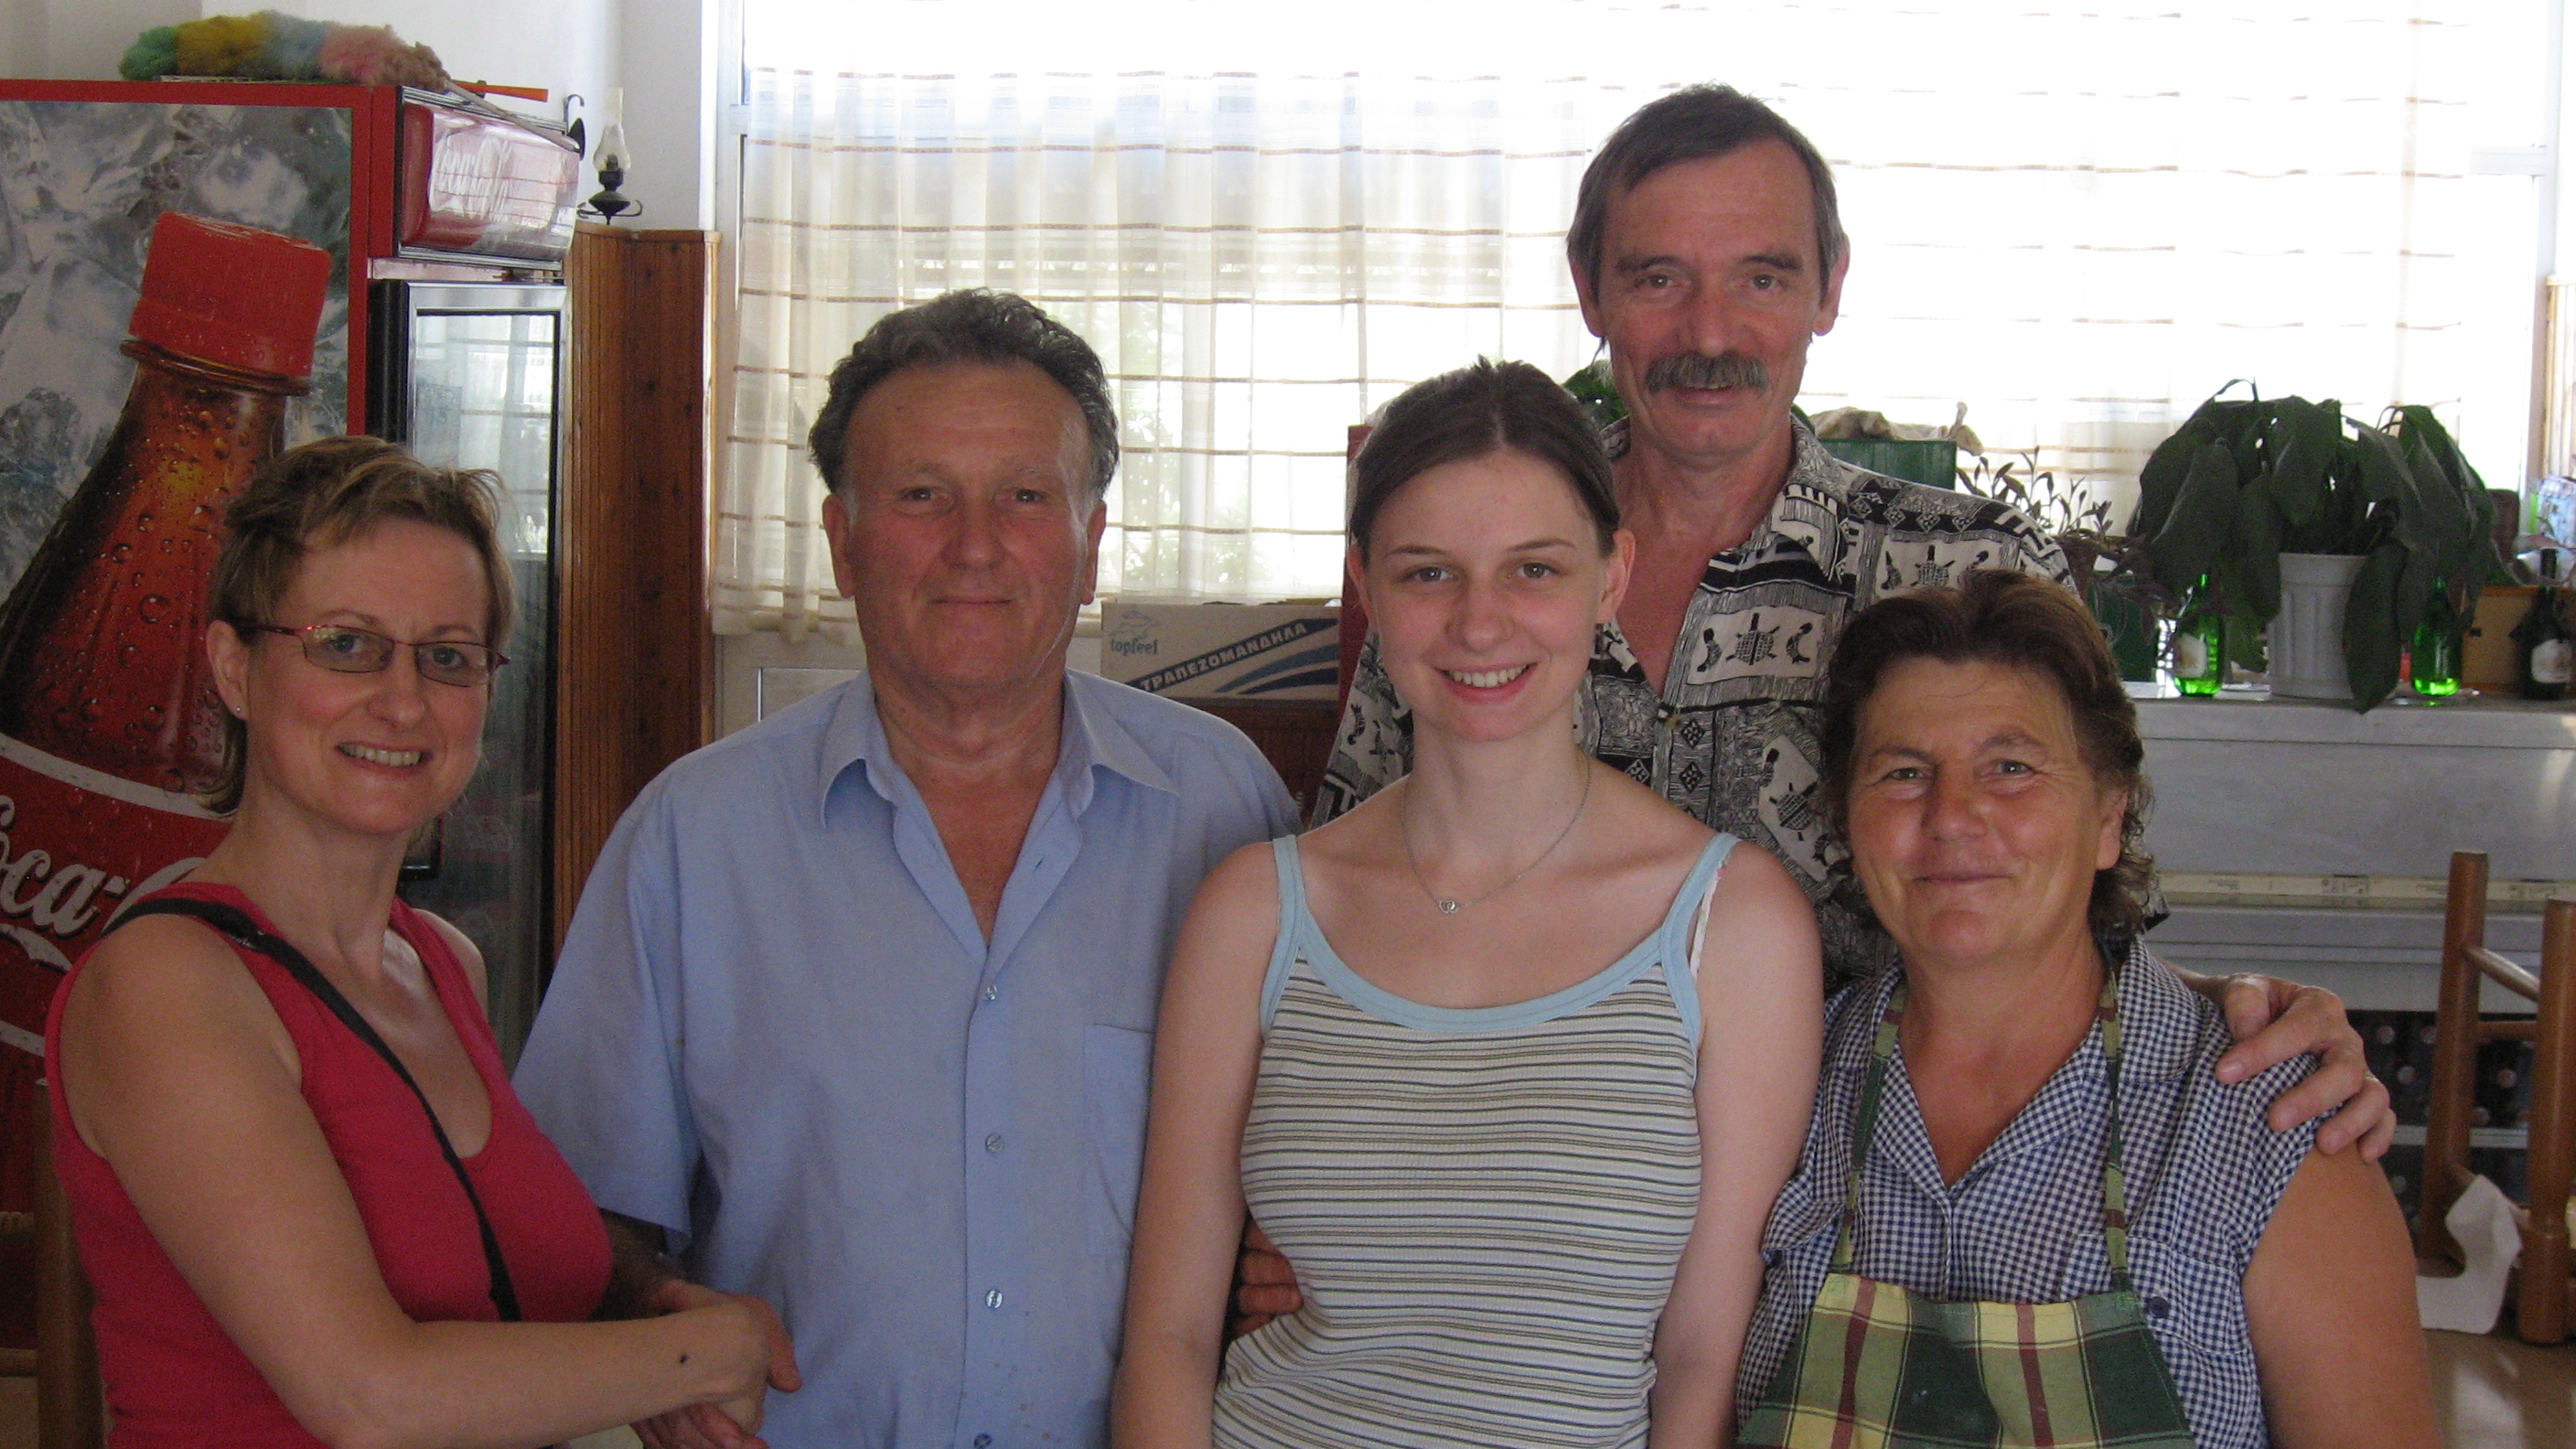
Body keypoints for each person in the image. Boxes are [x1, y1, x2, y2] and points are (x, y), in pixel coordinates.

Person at [1305, 81, 2388, 1144]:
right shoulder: (1466, 578)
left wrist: (2246, 1008)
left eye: (1762, 277)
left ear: (1828, 290)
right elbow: (1344, 910)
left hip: (1866, 1199)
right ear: (1589, 293)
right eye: (1657, 278)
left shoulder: (1969, 567)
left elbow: (2082, 929)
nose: (1710, 332)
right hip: (1515, 1166)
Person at [512, 289, 1301, 1449]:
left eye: (1024, 496)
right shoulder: (694, 837)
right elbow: (575, 1203)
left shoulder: (1223, 811)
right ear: (841, 545)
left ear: (1090, 544)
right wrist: (649, 1323)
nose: (974, 545)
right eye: (921, 495)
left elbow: (1315, 1155)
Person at [1114, 359, 1823, 1448]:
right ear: (1365, 585)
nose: (1479, 624)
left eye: (1532, 569)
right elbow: (1167, 1336)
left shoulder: (1731, 923)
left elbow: (1699, 1363)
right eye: (1427, 573)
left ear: (1609, 577)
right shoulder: (1254, 911)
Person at [46, 435, 790, 1449]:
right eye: (346, 644)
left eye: (447, 657)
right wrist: (714, 1350)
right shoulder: (168, 984)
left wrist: (643, 1318)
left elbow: (485, 1292)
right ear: (233, 668)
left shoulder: (442, 964)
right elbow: (372, 1399)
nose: (403, 702)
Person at [1735, 570, 2437, 1449]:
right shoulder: (1777, 1087)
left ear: (2110, 816)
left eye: (2011, 768)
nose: (1953, 816)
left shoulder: (2275, 1126)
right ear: (1846, 817)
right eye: (1904, 773)